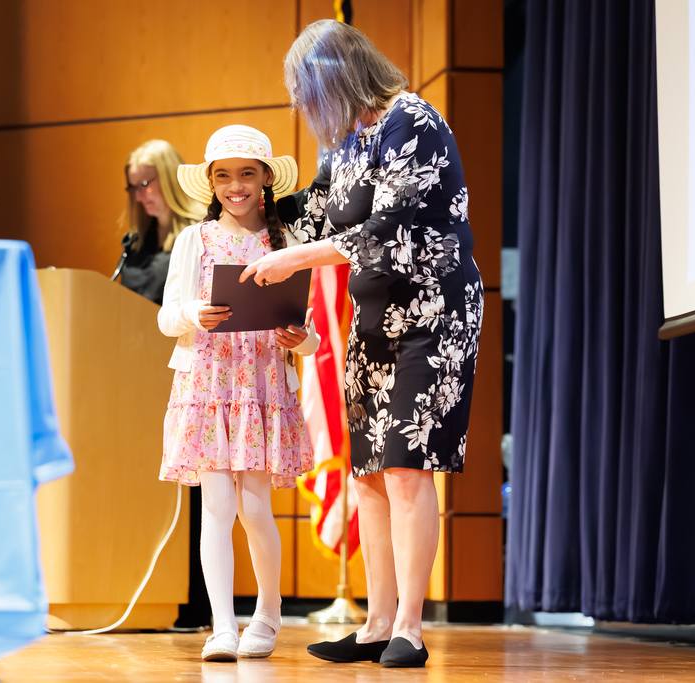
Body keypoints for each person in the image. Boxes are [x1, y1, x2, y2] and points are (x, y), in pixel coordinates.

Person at [242, 20, 484, 668]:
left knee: (408, 466)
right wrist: (246, 199)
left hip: (433, 314)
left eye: (304, 90)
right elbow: (316, 212)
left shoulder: (412, 119)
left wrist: (295, 260)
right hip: (374, 320)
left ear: (336, 77)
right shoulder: (344, 144)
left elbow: (389, 230)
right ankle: (377, 621)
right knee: (370, 473)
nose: (302, 106)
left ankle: (410, 624)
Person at [158, 125, 319, 662]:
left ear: (266, 179)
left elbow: (311, 329)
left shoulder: (288, 245)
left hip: (262, 385)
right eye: (223, 176)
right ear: (210, 183)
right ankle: (222, 625)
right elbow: (166, 316)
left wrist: (302, 337)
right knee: (216, 510)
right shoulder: (192, 240)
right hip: (207, 384)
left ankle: (268, 614)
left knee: (255, 510)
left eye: (247, 173)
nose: (235, 186)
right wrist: (192, 314)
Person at [116, 139, 204, 305]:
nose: (138, 197)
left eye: (143, 184)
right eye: (133, 188)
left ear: (169, 178)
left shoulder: (203, 232)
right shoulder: (136, 240)